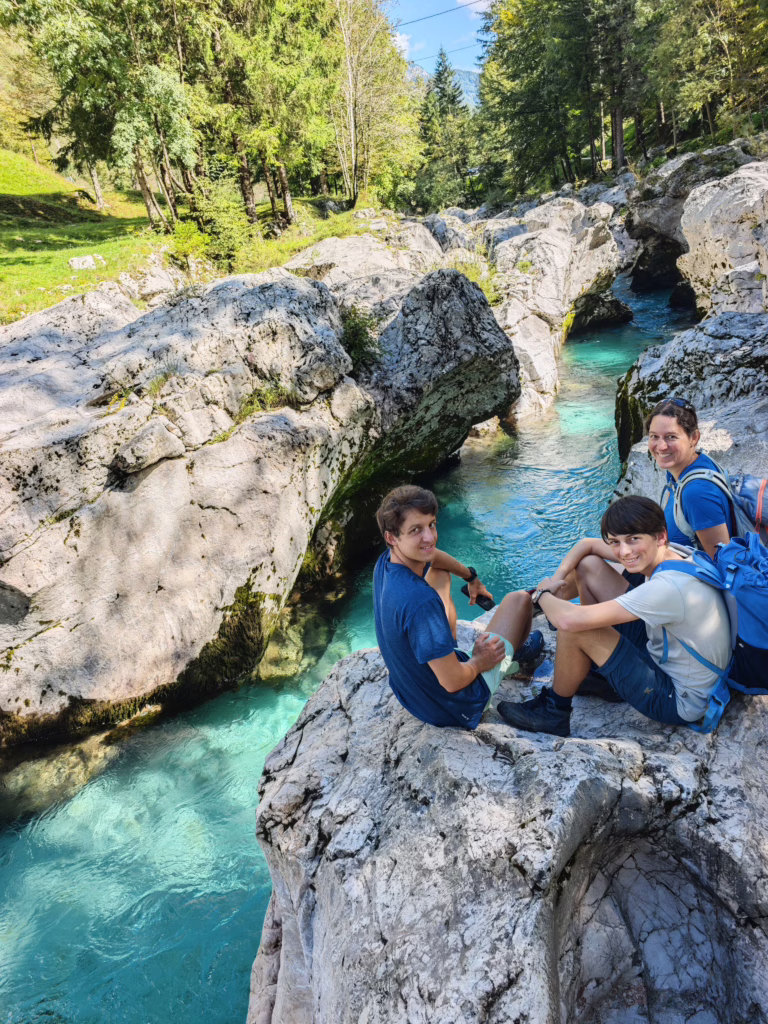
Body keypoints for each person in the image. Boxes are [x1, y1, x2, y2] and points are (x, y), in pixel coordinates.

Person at [497, 495, 732, 737]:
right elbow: (586, 546)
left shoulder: (667, 589)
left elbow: (567, 620)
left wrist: (543, 594)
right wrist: (559, 578)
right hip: (670, 658)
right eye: (615, 542)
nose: (624, 551)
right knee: (589, 566)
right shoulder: (678, 554)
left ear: (660, 535)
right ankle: (600, 673)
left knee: (577, 626)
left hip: (678, 699)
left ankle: (554, 713)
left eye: (633, 539)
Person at [373, 485, 543, 729]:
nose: (429, 537)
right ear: (392, 537)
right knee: (520, 600)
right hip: (454, 706)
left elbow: (434, 556)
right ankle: (515, 658)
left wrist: (471, 577)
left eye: (431, 524)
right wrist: (478, 661)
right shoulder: (420, 602)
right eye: (415, 530)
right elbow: (452, 682)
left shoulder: (386, 563)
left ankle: (445, 648)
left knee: (440, 571)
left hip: (412, 696)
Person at [646, 397, 735, 558]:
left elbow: (724, 564)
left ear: (694, 438)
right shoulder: (690, 465)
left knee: (589, 565)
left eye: (671, 437)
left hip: (686, 578)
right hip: (671, 567)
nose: (661, 446)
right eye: (654, 436)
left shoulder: (696, 492)